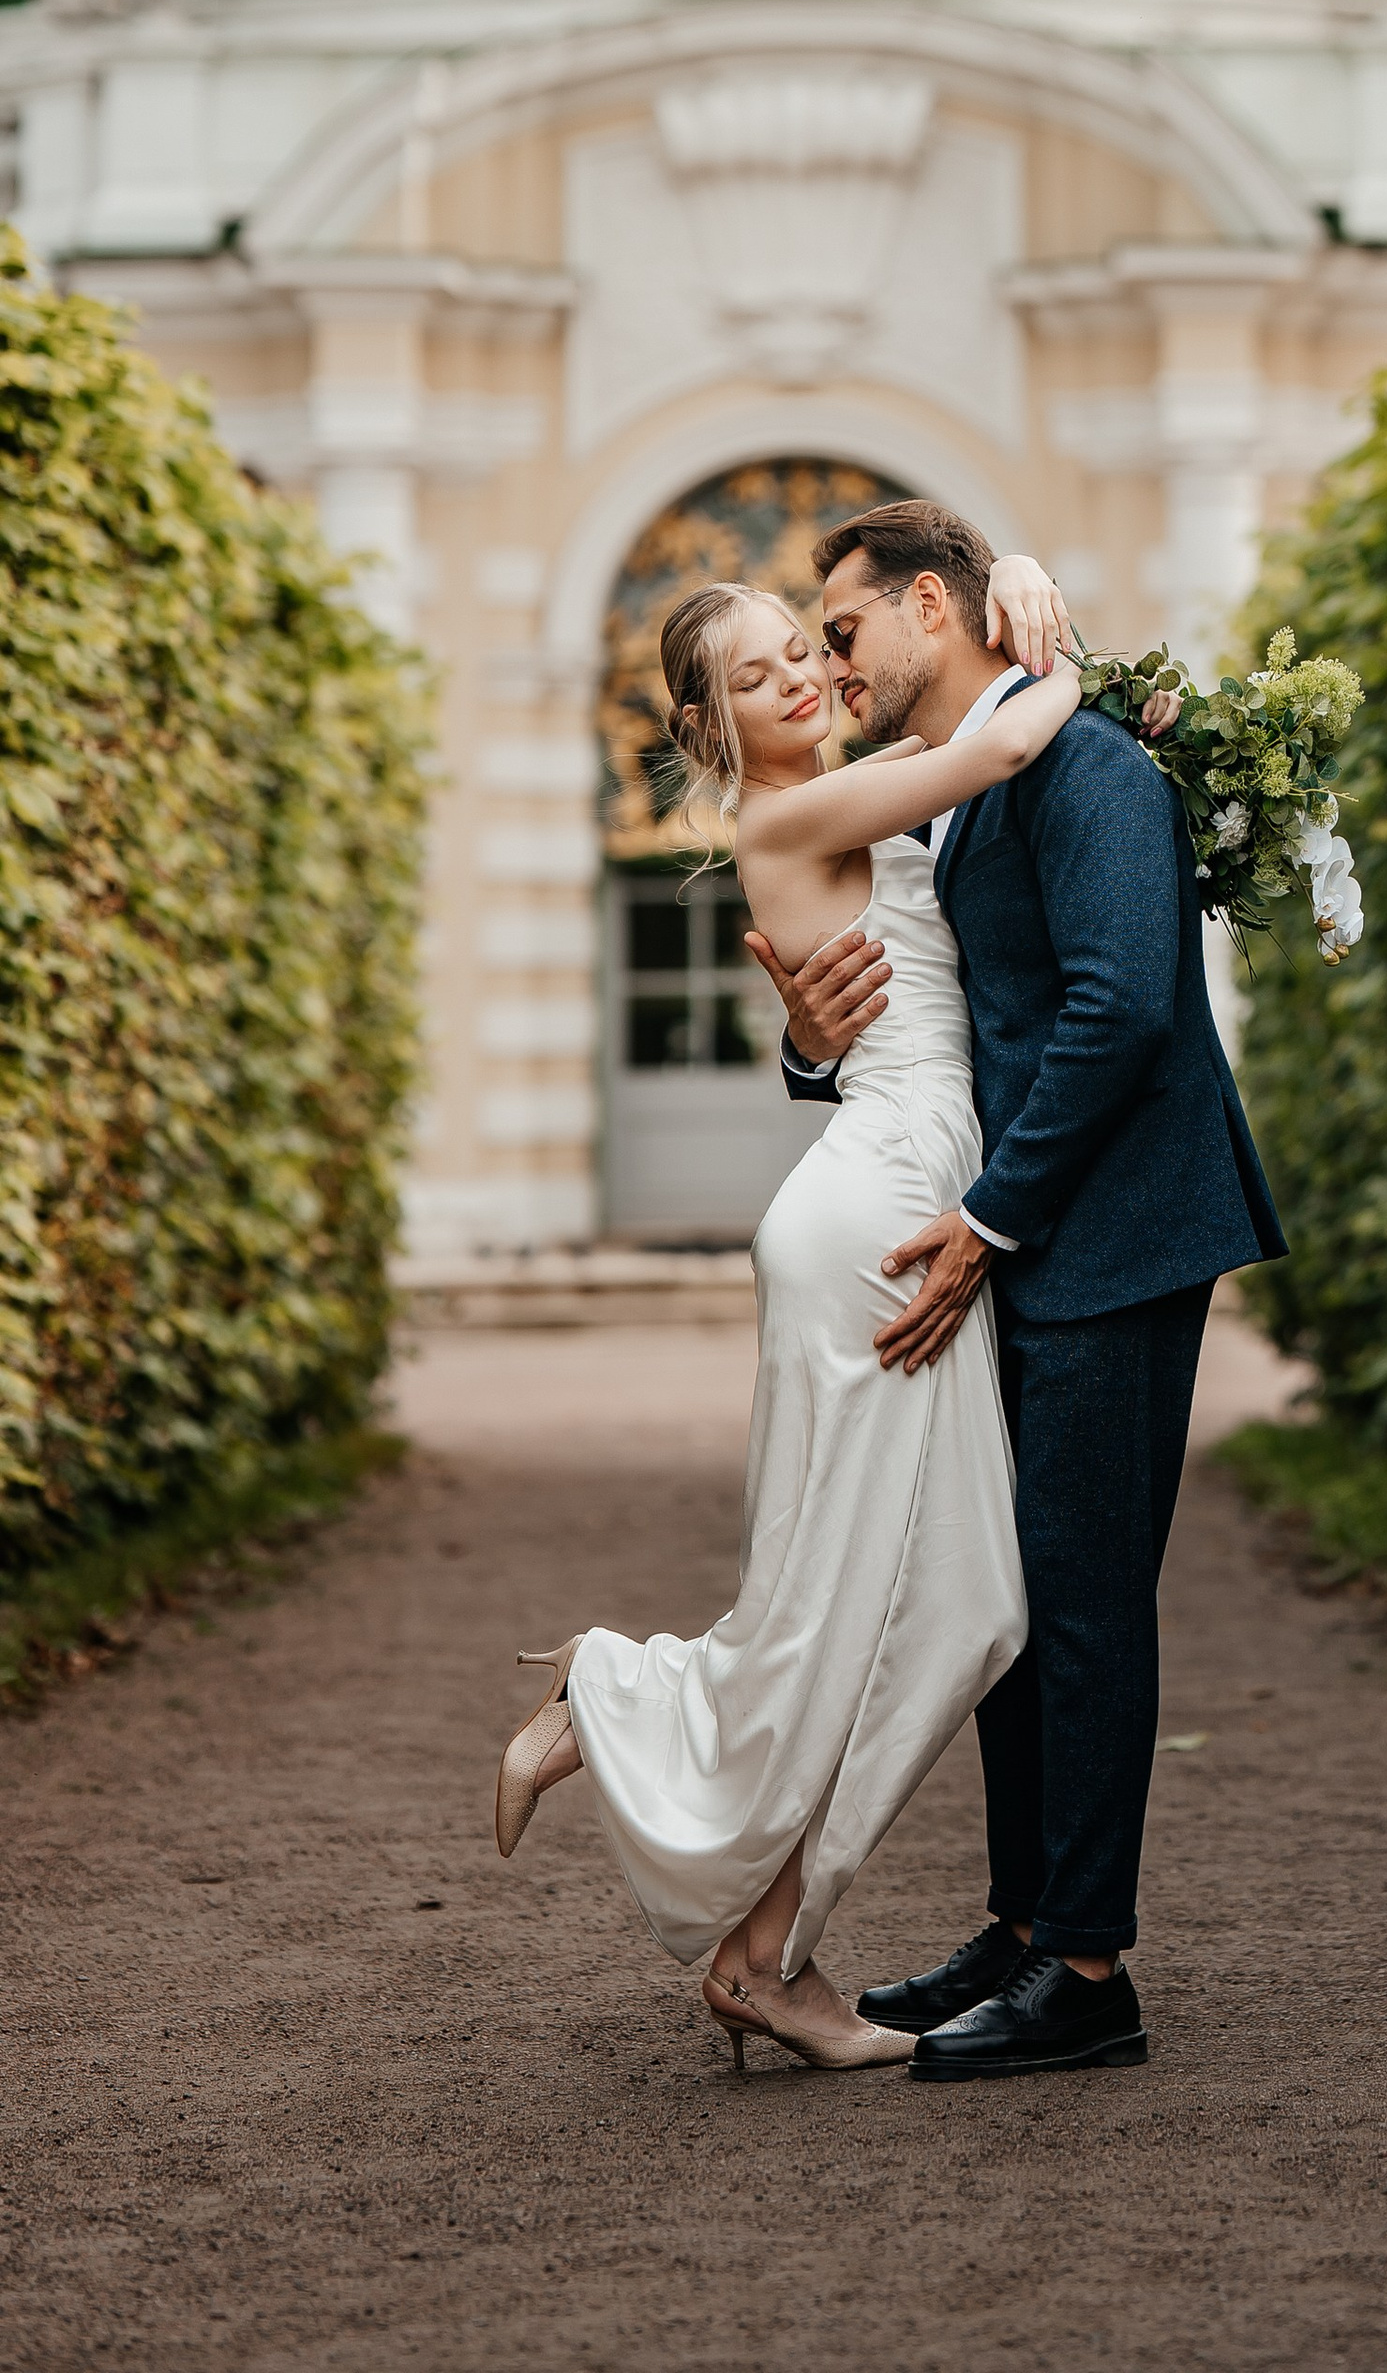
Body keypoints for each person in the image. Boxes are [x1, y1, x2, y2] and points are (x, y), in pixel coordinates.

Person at [490, 548, 1075, 2076]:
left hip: (892, 1189)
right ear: (712, 727)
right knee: (877, 1601)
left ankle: (759, 1944)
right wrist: (1061, 643)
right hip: (877, 1219)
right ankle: (634, 1724)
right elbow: (1002, 744)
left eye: (802, 650)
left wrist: (1008, 582)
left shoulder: (850, 792)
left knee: (944, 1604)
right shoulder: (793, 810)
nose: (801, 678)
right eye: (756, 677)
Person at [753, 498, 1288, 2081]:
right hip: (1035, 1243)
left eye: (844, 631)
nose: (833, 668)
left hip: (1112, 1237)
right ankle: (1022, 1923)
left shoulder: (1092, 766)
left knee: (1087, 1601)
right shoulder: (971, 793)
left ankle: (1089, 1970)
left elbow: (1124, 1014)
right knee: (1019, 1597)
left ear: (934, 605)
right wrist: (814, 1049)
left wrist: (988, 1220)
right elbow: (936, 1023)